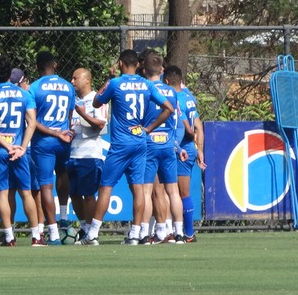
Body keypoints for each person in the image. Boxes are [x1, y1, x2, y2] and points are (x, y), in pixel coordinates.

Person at [81, 50, 175, 245]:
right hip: (140, 141)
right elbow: (169, 108)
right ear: (137, 65)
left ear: (122, 63)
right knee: (138, 188)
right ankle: (135, 234)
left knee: (106, 187)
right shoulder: (146, 84)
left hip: (121, 144)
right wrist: (148, 128)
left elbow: (97, 102)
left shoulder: (115, 83)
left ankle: (93, 234)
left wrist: (108, 78)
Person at [0, 55, 40, 246]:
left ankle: (9, 236)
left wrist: (7, 146)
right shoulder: (24, 94)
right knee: (26, 193)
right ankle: (36, 236)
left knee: (2, 194)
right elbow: (32, 123)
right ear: (9, 74)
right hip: (20, 151)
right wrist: (21, 147)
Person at [28, 51, 75, 245]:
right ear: (54, 64)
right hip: (64, 139)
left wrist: (53, 132)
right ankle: (63, 214)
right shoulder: (67, 86)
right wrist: (63, 132)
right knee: (63, 173)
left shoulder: (34, 87)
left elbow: (32, 121)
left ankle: (53, 232)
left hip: (44, 142)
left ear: (37, 66)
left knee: (45, 185)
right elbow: (70, 116)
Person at [139, 53, 185, 244]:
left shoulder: (144, 89)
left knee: (147, 190)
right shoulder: (172, 91)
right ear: (162, 70)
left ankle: (143, 233)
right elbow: (175, 121)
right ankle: (179, 233)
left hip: (150, 143)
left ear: (143, 70)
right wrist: (176, 144)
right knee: (173, 190)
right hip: (168, 144)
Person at [67, 67, 107, 241]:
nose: (72, 82)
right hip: (72, 153)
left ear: (87, 80)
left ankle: (92, 231)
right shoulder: (73, 100)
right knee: (74, 193)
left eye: (76, 78)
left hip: (90, 154)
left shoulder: (97, 100)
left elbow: (100, 124)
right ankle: (84, 226)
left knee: (89, 194)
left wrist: (83, 113)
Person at [166, 65, 205, 243]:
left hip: (180, 148)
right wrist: (200, 150)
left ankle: (187, 233)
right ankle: (180, 231)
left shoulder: (175, 99)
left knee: (180, 192)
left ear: (166, 81)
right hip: (190, 147)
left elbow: (189, 128)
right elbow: (198, 126)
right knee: (177, 192)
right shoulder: (189, 97)